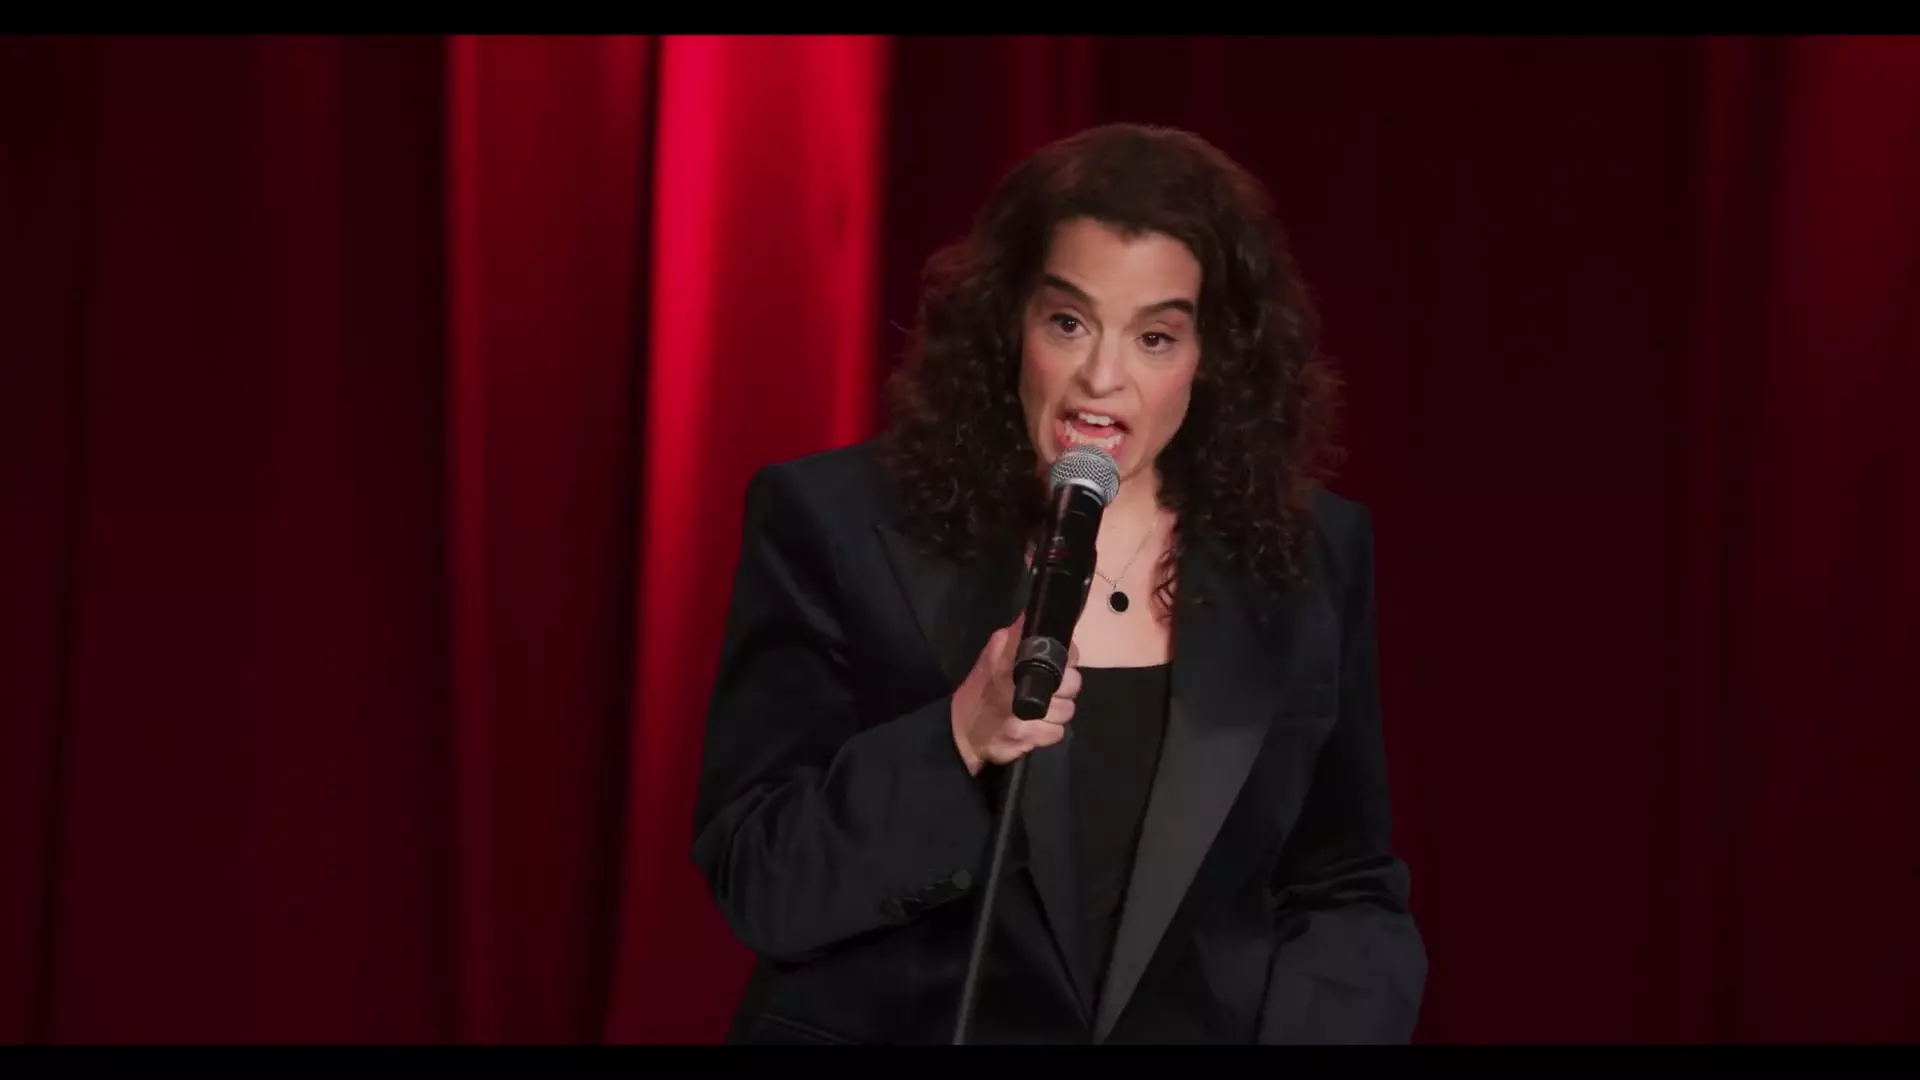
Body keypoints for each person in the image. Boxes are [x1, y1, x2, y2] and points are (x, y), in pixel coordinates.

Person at [690, 122, 1426, 1045]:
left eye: (1155, 337)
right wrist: (959, 737)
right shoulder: (831, 521)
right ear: (1011, 320)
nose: (1101, 378)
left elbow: (1343, 885)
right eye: (1068, 323)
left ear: (1213, 355)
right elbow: (762, 881)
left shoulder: (1309, 553)